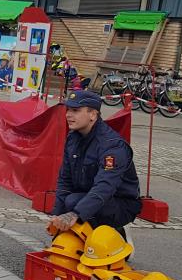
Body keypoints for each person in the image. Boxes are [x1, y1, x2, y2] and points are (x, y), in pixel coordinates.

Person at [48, 90, 142, 236]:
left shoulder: (112, 146)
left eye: (75, 110)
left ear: (93, 114)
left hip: (120, 203)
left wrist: (75, 214)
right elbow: (65, 179)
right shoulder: (73, 138)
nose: (68, 115)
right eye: (68, 110)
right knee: (68, 204)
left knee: (73, 202)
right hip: (87, 196)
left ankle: (116, 234)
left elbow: (105, 187)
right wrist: (57, 214)